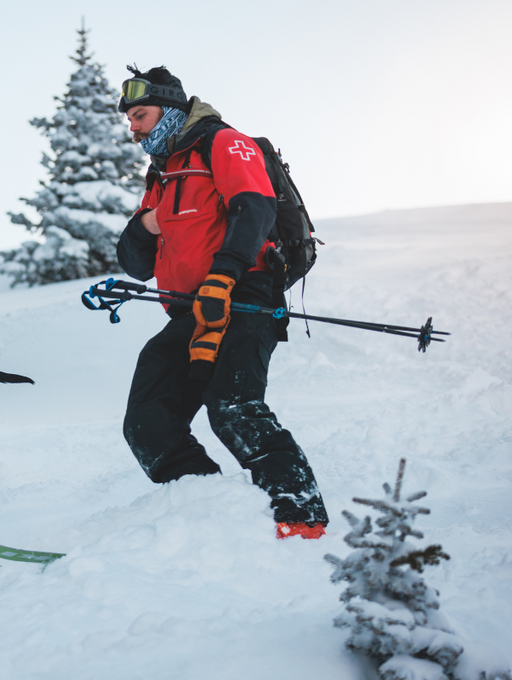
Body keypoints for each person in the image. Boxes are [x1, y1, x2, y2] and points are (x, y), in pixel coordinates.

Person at [115, 66, 329, 539]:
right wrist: (146, 225)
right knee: (147, 421)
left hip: (244, 293)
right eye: (129, 119)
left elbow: (255, 207)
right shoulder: (162, 174)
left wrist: (224, 275)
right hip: (189, 308)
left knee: (233, 405)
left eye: (141, 115)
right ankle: (210, 509)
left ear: (169, 109)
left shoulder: (224, 142)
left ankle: (301, 520)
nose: (133, 127)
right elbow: (134, 264)